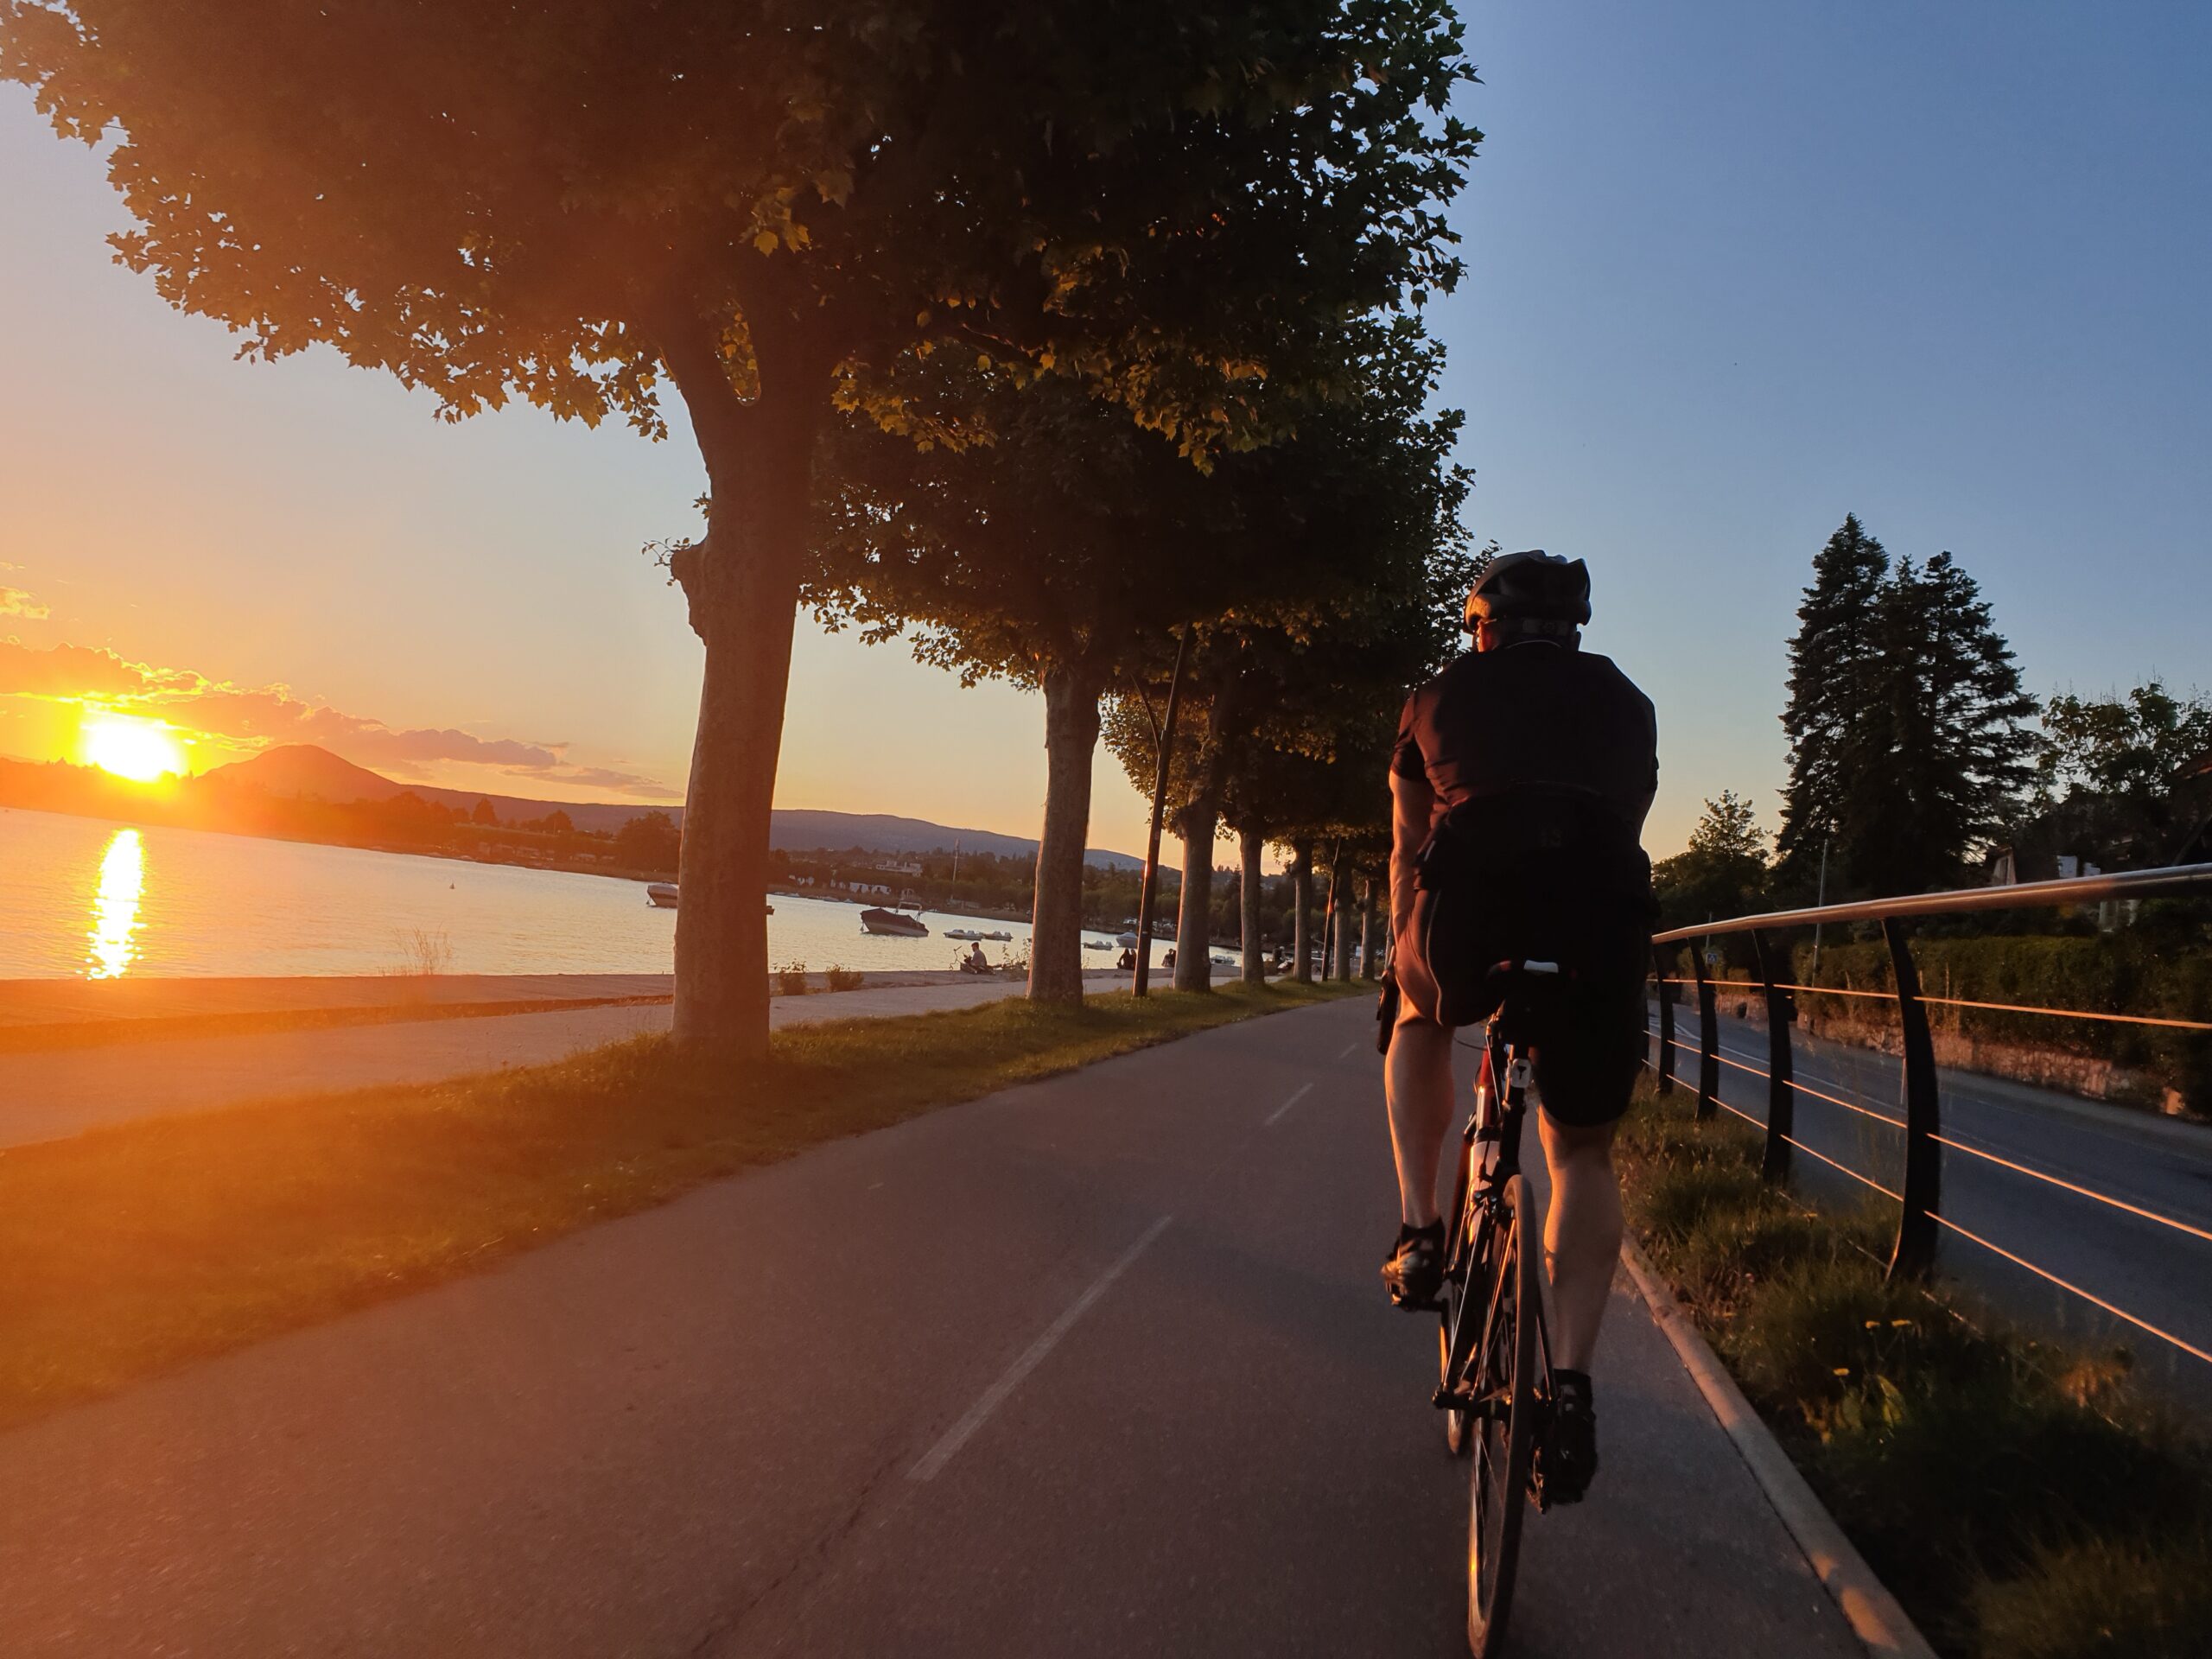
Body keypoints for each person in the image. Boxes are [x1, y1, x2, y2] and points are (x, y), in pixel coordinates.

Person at [1381, 550, 1657, 1504]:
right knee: (1580, 1150)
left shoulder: (1434, 698)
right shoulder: (1629, 705)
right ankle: (1570, 1388)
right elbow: (1621, 824)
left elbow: (1409, 845)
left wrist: (1405, 952)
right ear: (1574, 631)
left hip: (1468, 927)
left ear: (1481, 628)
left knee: (1414, 1018)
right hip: (1598, 930)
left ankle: (1421, 1230)